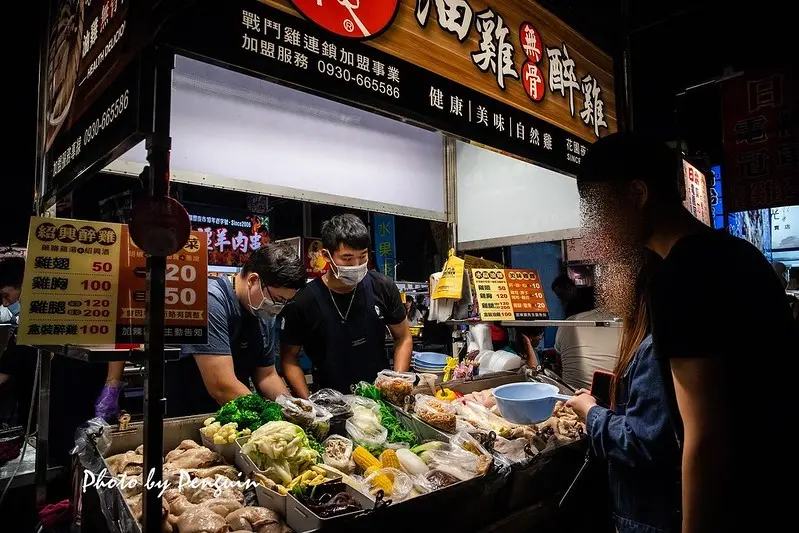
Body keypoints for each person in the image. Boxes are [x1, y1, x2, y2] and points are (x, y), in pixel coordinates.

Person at [576, 132, 797, 533]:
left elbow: (704, 434)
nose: (598, 227)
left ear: (637, 193)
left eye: (598, 208)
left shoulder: (683, 274)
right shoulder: (738, 255)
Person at [567, 256, 681, 532]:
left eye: (615, 280)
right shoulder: (649, 340)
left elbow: (642, 442)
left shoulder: (653, 349)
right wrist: (601, 404)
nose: (607, 290)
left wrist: (591, 413)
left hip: (649, 516)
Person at [280, 214, 412, 397]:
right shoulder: (303, 300)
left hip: (381, 398)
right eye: (347, 258)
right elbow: (289, 358)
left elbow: (403, 337)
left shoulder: (382, 286)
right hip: (331, 404)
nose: (357, 265)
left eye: (363, 256)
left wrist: (397, 382)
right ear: (326, 255)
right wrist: (309, 404)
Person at [169, 243, 306, 416]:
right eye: (277, 299)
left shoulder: (263, 311)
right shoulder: (210, 299)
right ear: (253, 280)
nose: (278, 308)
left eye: (285, 302)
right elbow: (222, 386)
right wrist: (271, 418)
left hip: (236, 413)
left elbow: (267, 375)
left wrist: (294, 410)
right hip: (191, 414)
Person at [554, 308, 620, 390]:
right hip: (614, 397)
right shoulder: (627, 324)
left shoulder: (570, 322)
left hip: (571, 396)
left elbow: (559, 363)